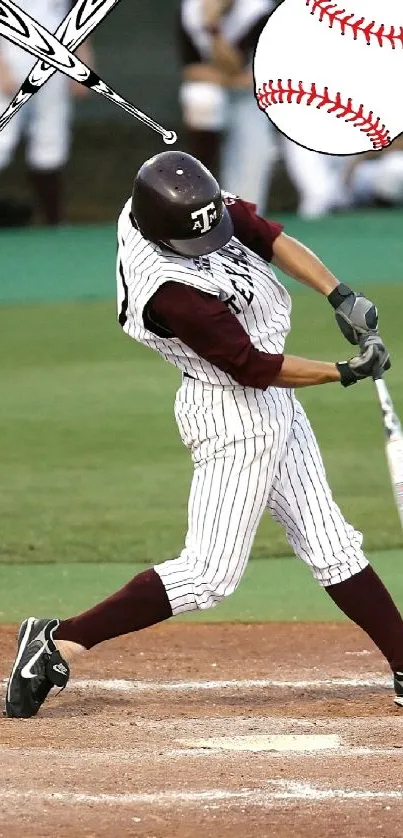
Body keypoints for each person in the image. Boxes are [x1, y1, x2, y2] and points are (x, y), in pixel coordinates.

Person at [6, 150, 403, 722]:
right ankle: (57, 641)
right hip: (234, 415)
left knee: (330, 542)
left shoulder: (173, 205)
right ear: (158, 232)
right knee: (208, 574)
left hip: (269, 404)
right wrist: (345, 371)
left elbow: (262, 233)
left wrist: (339, 294)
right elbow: (251, 365)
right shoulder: (168, 292)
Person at [178, 0, 277, 212]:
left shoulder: (258, 10)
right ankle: (201, 184)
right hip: (218, 88)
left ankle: (241, 226)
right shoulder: (191, 10)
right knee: (201, 97)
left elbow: (235, 64)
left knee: (250, 195)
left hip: (252, 96)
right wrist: (233, 78)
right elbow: (191, 70)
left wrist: (213, 29)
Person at [0, 0, 93, 226]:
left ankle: (54, 221)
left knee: (50, 140)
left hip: (55, 61)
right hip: (12, 60)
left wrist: (84, 62)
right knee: (3, 140)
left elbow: (78, 16)